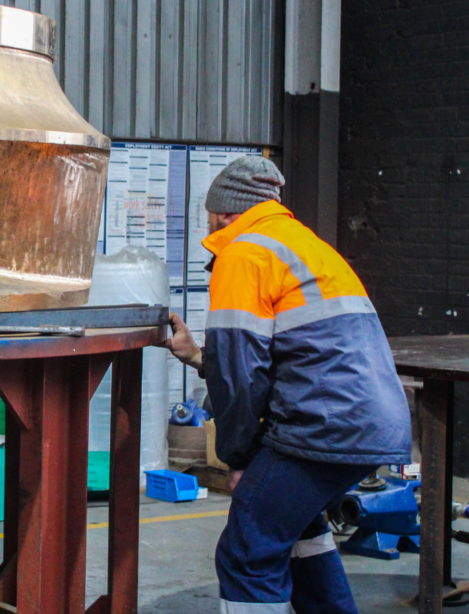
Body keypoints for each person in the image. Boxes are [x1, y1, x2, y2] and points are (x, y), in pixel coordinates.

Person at [162, 156, 412, 614]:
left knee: (247, 550)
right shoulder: (303, 244)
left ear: (223, 212)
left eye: (209, 216)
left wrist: (238, 458)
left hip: (322, 427)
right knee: (296, 530)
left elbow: (240, 375)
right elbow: (295, 355)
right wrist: (197, 356)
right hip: (372, 423)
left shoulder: (243, 253)